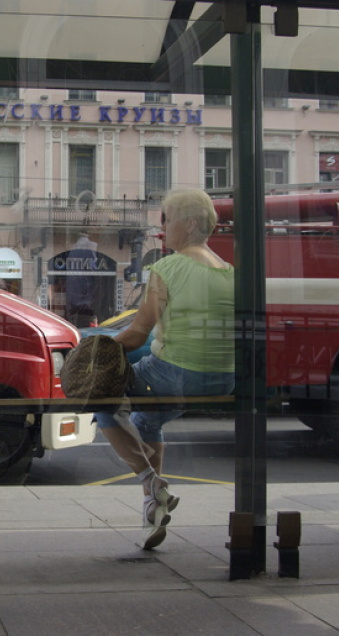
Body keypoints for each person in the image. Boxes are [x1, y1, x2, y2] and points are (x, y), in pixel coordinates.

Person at [95, 189, 234, 550]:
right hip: (222, 378)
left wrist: (99, 350)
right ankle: (152, 510)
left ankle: (151, 481)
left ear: (189, 225)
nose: (162, 228)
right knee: (146, 421)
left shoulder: (167, 268)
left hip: (177, 374)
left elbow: (137, 333)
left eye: (167, 220)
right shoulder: (229, 272)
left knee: (102, 397)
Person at [65, 232, 99, 328]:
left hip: (73, 294)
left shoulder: (71, 249)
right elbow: (94, 268)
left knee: (74, 323)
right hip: (86, 294)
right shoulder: (92, 246)